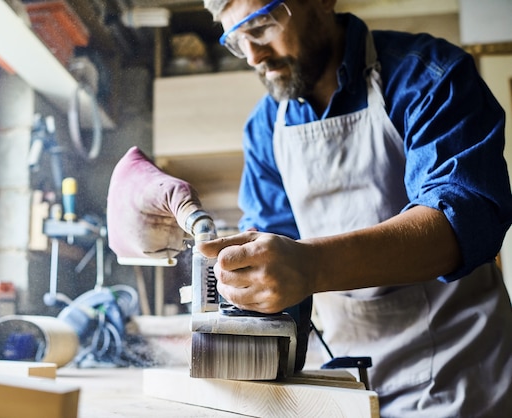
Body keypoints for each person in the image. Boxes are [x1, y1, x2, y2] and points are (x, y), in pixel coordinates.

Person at [192, 0, 512, 416]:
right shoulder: (264, 129)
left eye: (262, 27)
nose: (253, 56)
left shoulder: (428, 77)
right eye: (236, 40)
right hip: (346, 384)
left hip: (464, 376)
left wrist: (310, 266)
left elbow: (462, 223)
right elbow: (267, 270)